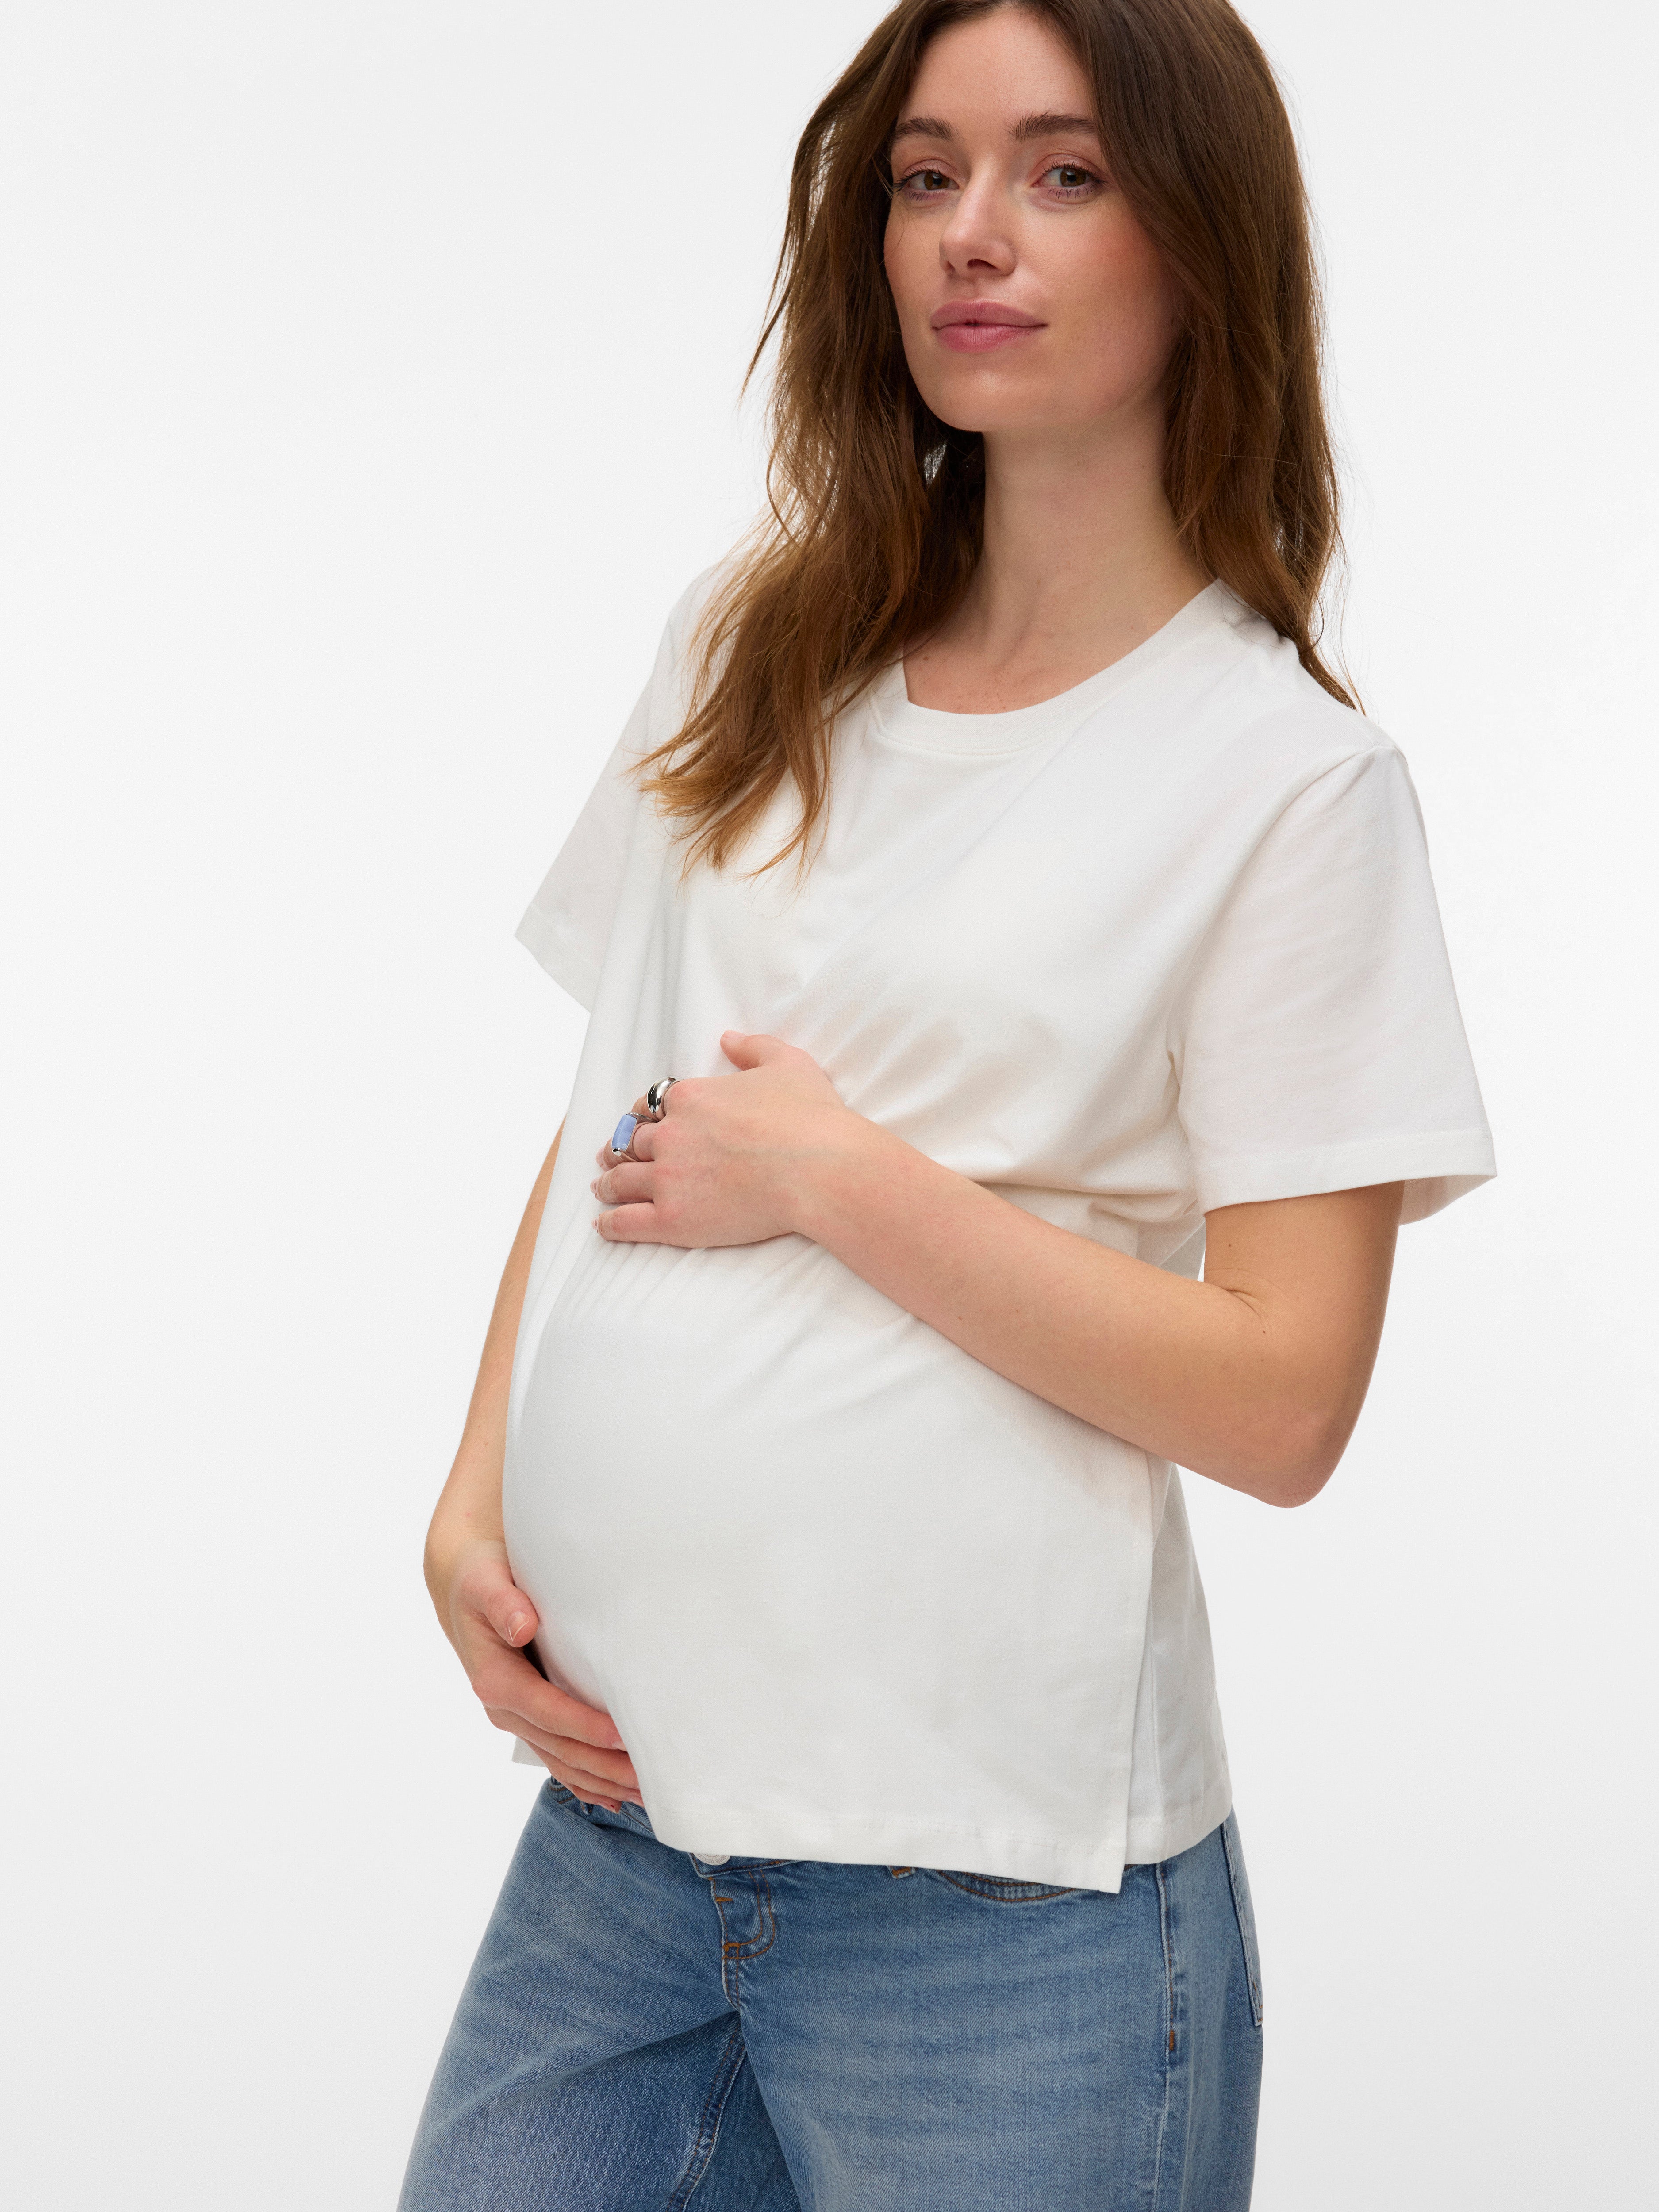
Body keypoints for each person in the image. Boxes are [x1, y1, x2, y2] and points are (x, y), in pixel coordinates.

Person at [399, 1, 1494, 2205]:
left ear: (1200, 242)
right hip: (623, 1835)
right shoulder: (750, 645)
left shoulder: (1284, 784)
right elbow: (609, 1091)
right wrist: (472, 1498)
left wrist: (838, 1180)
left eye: (1061, 174)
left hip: (1000, 1901)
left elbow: (1286, 1397)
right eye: (923, 176)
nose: (969, 236)